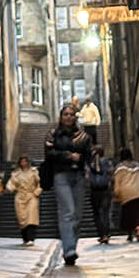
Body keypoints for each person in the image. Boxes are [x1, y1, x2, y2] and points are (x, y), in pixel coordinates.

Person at [44, 100, 90, 265]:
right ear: (61, 116)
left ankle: (72, 247)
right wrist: (69, 156)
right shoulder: (53, 134)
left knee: (78, 216)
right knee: (68, 212)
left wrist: (85, 164)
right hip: (60, 175)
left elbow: (88, 155)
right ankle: (69, 250)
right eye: (66, 114)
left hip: (78, 176)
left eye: (71, 114)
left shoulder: (83, 136)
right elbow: (49, 153)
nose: (69, 117)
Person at [112, 146, 139, 242]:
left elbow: (117, 182)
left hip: (126, 193)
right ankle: (138, 231)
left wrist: (116, 193)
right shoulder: (137, 165)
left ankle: (130, 234)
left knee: (128, 214)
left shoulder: (119, 168)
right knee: (138, 213)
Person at [5, 155, 42, 244]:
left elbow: (39, 183)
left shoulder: (34, 171)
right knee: (22, 218)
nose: (24, 163)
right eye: (22, 161)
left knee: (31, 217)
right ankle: (25, 237)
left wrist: (37, 192)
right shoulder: (16, 173)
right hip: (20, 197)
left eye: (25, 161)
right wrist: (9, 188)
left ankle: (31, 238)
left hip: (31, 195)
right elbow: (11, 183)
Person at [86, 145, 115, 244]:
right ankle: (106, 233)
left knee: (97, 213)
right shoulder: (108, 162)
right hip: (105, 190)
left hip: (95, 191)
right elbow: (111, 175)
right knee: (106, 212)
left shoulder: (91, 163)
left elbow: (87, 177)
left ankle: (101, 234)